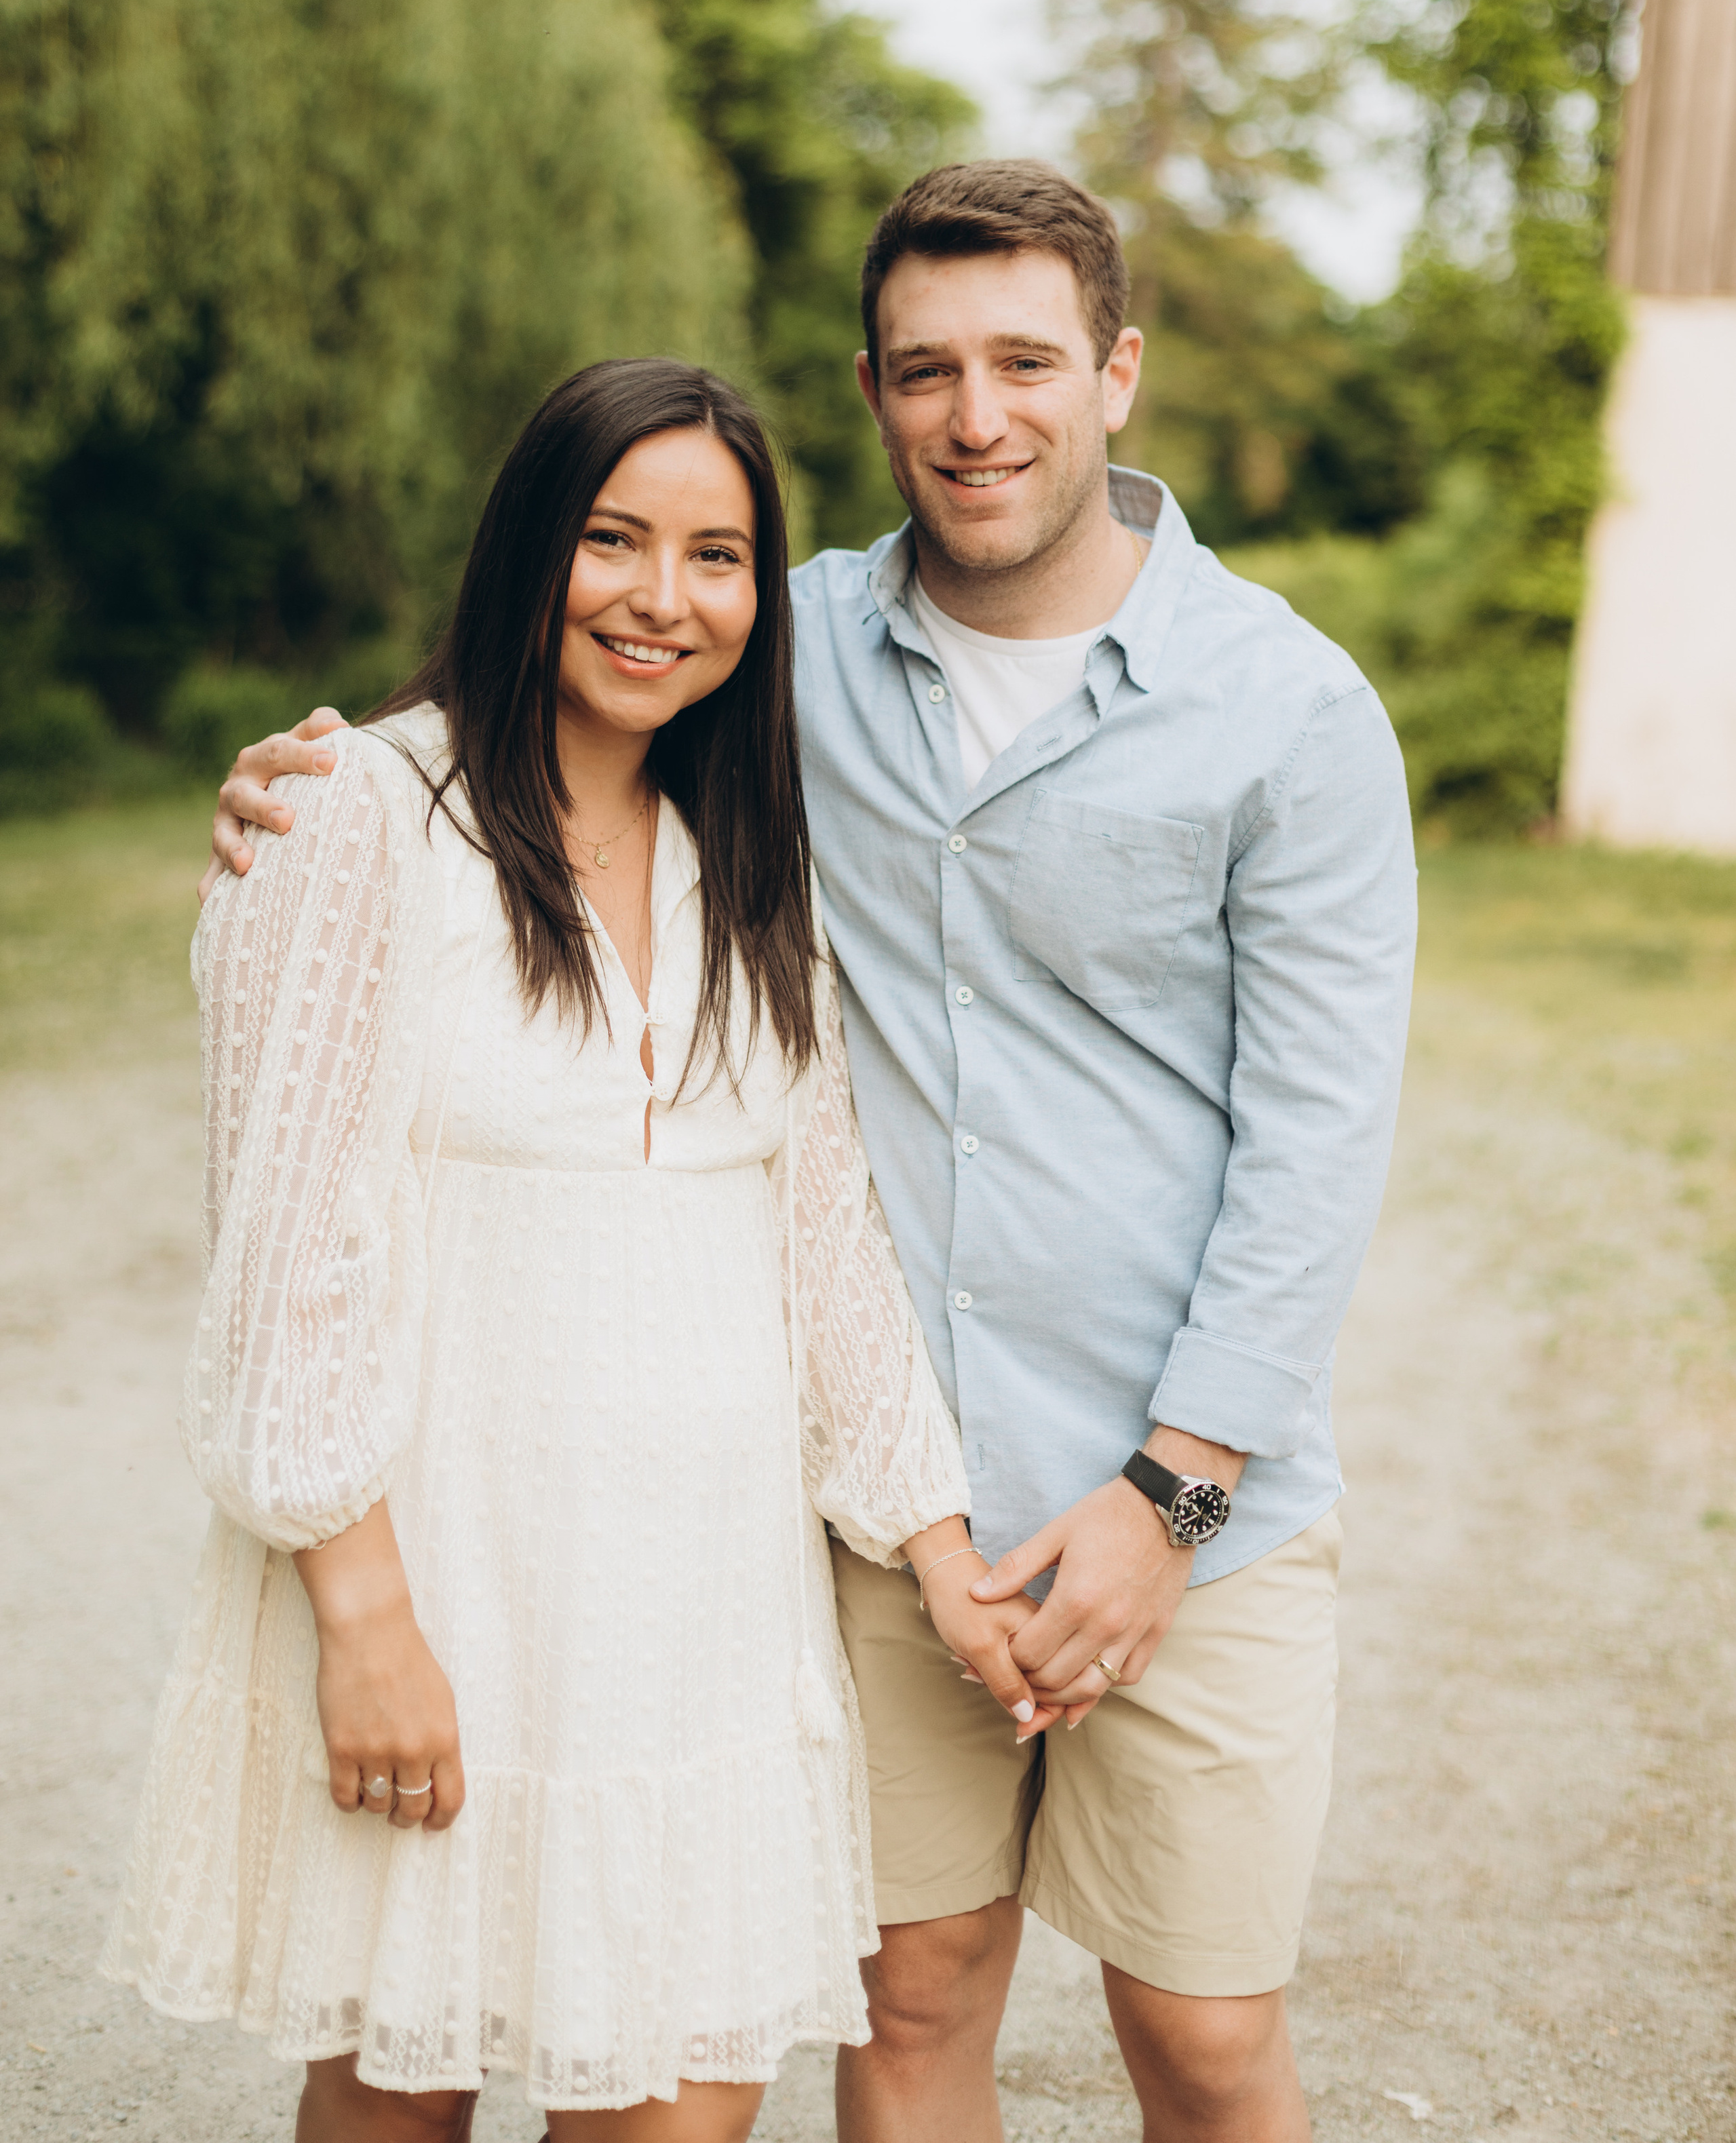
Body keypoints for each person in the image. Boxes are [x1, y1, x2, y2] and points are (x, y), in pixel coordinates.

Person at [199, 161, 1419, 2143]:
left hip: (1174, 1508)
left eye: (1028, 359)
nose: (978, 414)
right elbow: (544, 704)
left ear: (1117, 373)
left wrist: (1172, 1496)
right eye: (929, 369)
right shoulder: (786, 657)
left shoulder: (1289, 712)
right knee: (904, 2002)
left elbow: (1316, 1144)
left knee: (1200, 2036)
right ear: (871, 389)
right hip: (848, 1529)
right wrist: (298, 791)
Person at [103, 358, 1058, 2143]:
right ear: (530, 546)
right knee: (402, 2087)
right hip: (445, 1577)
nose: (659, 599)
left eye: (715, 558)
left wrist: (934, 1544)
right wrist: (365, 1619)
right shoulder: (357, 818)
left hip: (699, 1615)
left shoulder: (755, 859)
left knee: (678, 2111)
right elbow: (286, 1251)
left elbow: (825, 1238)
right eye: (613, 540)